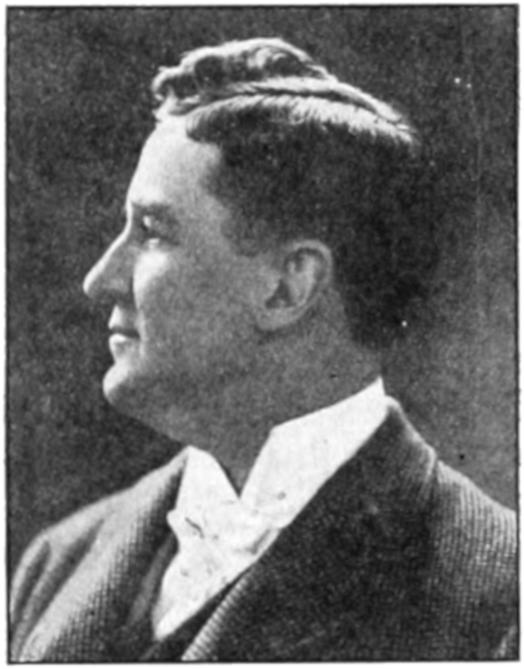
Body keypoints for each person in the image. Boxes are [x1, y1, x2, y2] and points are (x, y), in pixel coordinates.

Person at [10, 37, 516, 661]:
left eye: (152, 232)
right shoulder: (58, 562)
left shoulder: (497, 599)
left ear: (287, 287)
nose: (100, 279)